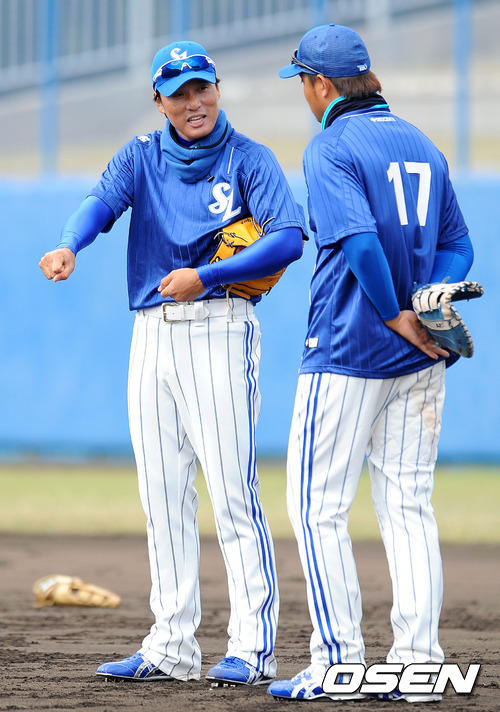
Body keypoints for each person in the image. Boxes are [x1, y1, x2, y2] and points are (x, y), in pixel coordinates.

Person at [39, 40, 305, 687]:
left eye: (201, 88)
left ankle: (253, 647)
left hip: (219, 327)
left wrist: (207, 276)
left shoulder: (249, 158)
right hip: (150, 333)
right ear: (158, 102)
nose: (193, 103)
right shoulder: (140, 156)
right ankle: (171, 646)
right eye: (178, 93)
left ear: (218, 88)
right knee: (161, 495)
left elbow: (288, 240)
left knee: (233, 494)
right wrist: (69, 244)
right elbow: (100, 204)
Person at [267, 24, 474, 703]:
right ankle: (419, 666)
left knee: (316, 509)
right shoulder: (422, 143)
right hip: (421, 357)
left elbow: (358, 243)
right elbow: (459, 246)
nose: (303, 93)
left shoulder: (330, 146)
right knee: (409, 506)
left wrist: (394, 312)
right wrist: (428, 304)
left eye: (303, 81)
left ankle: (338, 664)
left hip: (349, 350)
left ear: (322, 84)